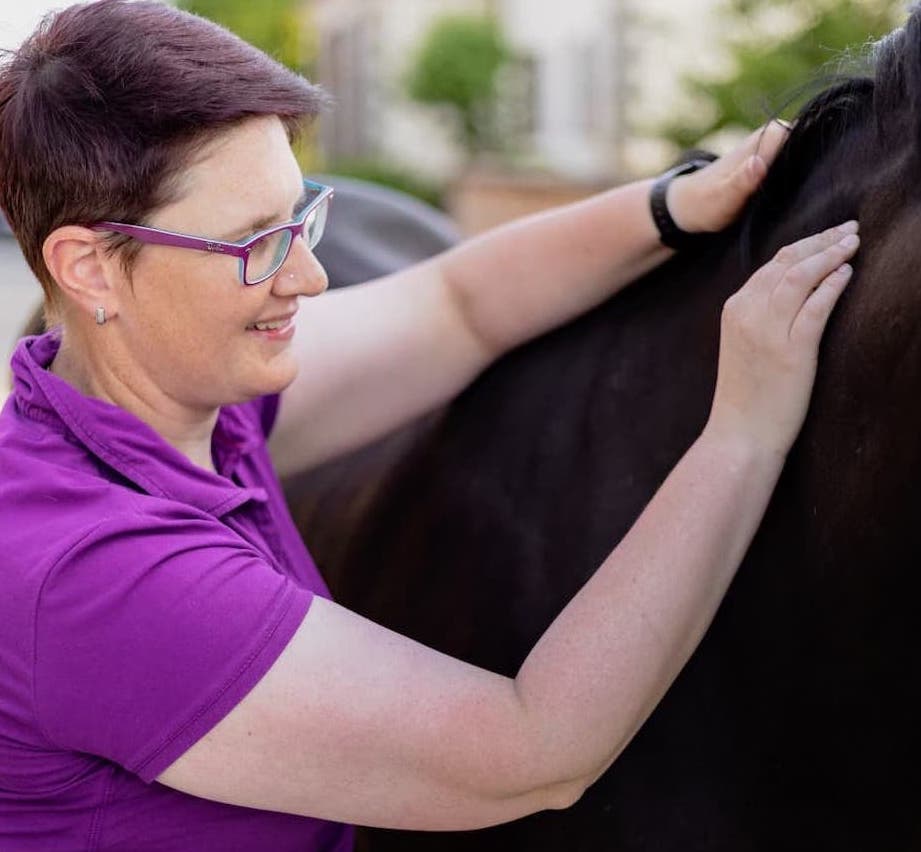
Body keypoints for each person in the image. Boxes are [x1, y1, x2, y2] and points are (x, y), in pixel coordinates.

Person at [0, 2, 859, 849]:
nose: (307, 273)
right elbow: (535, 751)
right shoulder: (95, 579)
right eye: (254, 242)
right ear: (91, 269)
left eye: (301, 215)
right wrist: (743, 432)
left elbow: (458, 306)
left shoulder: (174, 397)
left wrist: (672, 205)